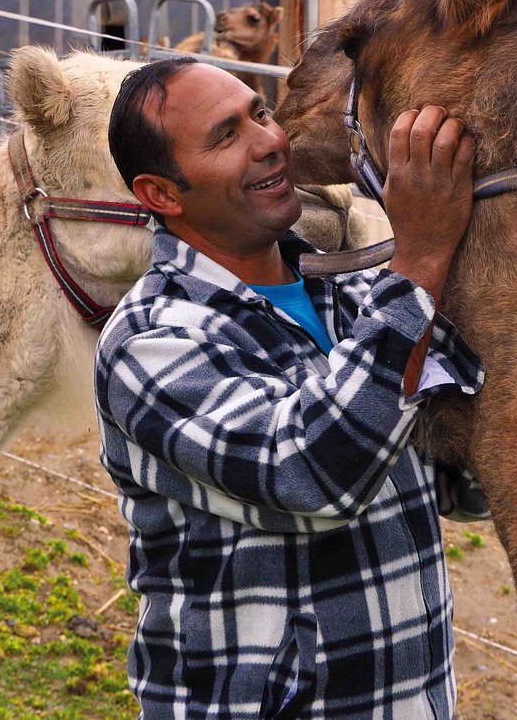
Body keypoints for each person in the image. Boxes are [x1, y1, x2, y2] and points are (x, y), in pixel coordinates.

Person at [95, 56, 487, 719]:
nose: (271, 140)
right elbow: (312, 474)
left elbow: (461, 485)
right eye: (227, 135)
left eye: (260, 112)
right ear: (162, 194)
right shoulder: (153, 340)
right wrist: (420, 256)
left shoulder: (357, 299)